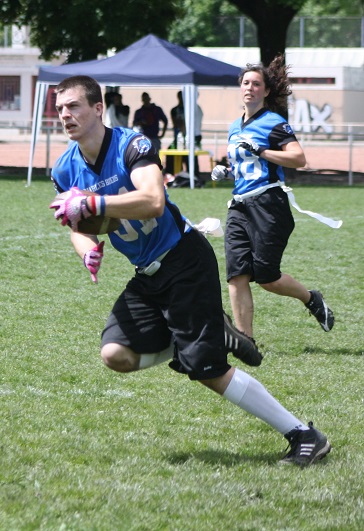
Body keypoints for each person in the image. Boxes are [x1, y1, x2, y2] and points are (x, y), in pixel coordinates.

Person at [49, 75, 331, 467]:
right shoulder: (64, 169)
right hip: (147, 275)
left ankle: (304, 435)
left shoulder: (133, 144)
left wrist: (96, 204)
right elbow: (79, 226)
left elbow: (152, 201)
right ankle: (209, 329)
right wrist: (86, 251)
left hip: (184, 259)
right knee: (115, 355)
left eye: (74, 105)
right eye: (60, 108)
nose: (65, 115)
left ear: (98, 108)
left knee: (206, 371)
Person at [211, 55, 335, 341]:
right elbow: (248, 167)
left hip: (269, 206)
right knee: (236, 274)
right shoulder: (234, 126)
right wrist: (227, 172)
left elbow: (298, 158)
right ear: (239, 88)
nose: (250, 87)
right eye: (245, 82)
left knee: (267, 277)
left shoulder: (274, 122)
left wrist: (262, 151)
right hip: (240, 207)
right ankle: (246, 341)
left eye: (256, 83)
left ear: (266, 91)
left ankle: (311, 298)